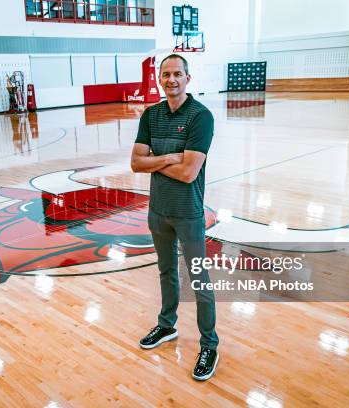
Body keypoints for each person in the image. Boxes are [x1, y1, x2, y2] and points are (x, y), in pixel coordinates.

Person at [130, 54, 219, 381]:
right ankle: (166, 326)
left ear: (188, 78)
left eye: (177, 74)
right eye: (165, 74)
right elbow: (136, 163)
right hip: (158, 211)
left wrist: (155, 159)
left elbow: (188, 172)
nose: (171, 80)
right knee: (166, 271)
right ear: (159, 78)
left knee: (199, 280)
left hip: (188, 213)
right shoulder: (151, 115)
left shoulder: (201, 117)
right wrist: (170, 156)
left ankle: (209, 344)